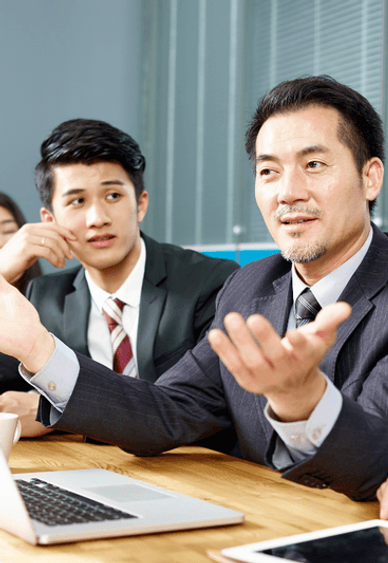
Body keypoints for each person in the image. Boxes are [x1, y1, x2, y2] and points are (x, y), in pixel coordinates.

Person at [0, 76, 387, 502]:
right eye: (268, 172)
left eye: (314, 165)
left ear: (370, 178)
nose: (287, 193)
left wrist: (303, 401)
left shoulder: (210, 279)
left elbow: (374, 461)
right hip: (257, 522)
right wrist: (39, 350)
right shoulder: (249, 286)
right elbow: (165, 413)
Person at [0, 119, 239, 437]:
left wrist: (54, 408)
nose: (97, 218)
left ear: (140, 204)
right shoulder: (45, 297)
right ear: (50, 219)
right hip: (83, 473)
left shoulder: (212, 283)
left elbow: (193, 413)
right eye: (77, 201)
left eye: (113, 196)